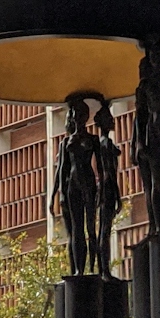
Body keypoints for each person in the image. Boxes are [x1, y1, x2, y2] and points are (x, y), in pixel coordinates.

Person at [50, 95, 99, 274]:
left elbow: (101, 167)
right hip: (72, 184)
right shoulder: (65, 142)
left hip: (88, 181)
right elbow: (61, 170)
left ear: (86, 116)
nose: (77, 117)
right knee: (76, 229)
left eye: (81, 114)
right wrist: (54, 194)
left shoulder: (93, 140)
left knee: (91, 228)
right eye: (75, 113)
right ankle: (77, 270)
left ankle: (94, 267)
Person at [133, 40, 160, 235]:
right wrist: (139, 142)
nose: (157, 60)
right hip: (152, 132)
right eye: (153, 57)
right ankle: (159, 224)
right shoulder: (145, 85)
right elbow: (139, 116)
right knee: (157, 182)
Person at [94, 100, 121, 276]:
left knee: (105, 230)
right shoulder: (105, 145)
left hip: (105, 190)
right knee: (105, 230)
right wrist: (117, 196)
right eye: (109, 118)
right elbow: (109, 173)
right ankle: (104, 270)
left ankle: (104, 268)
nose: (113, 120)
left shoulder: (106, 145)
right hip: (107, 190)